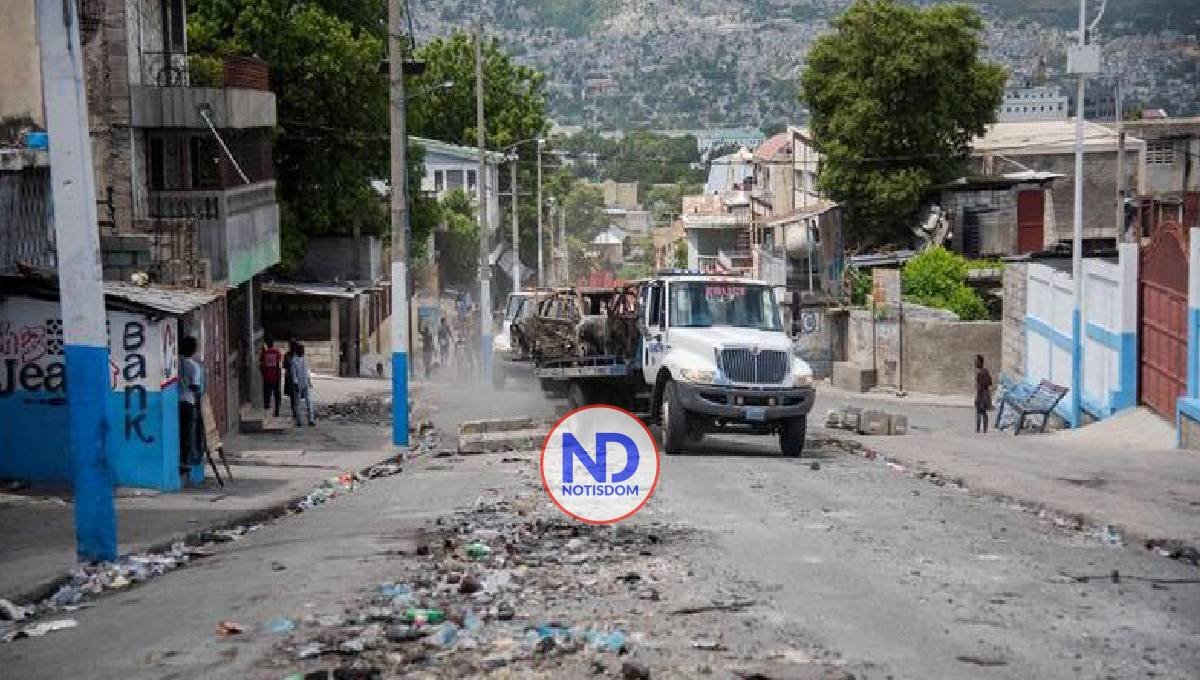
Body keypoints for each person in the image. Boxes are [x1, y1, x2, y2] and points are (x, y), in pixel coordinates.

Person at [178, 336, 205, 474]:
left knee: (179, 433)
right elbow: (195, 386)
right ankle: (186, 460)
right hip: (188, 402)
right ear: (193, 350)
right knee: (188, 433)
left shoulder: (175, 362)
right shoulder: (194, 366)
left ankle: (181, 459)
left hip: (175, 403)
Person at [289, 343, 316, 426]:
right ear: (298, 351)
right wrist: (295, 383)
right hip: (298, 383)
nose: (303, 351)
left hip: (305, 383)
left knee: (309, 402)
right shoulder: (294, 360)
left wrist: (309, 381)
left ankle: (311, 420)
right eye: (301, 350)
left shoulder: (305, 358)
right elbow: (294, 374)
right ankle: (299, 421)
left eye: (303, 350)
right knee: (298, 403)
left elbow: (307, 370)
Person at [259, 335, 283, 417]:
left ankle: (267, 411)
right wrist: (279, 376)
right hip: (276, 377)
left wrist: (263, 373)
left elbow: (261, 365)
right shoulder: (277, 352)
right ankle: (277, 412)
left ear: (267, 343)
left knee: (267, 396)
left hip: (267, 378)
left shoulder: (264, 353)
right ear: (273, 343)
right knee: (277, 396)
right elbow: (279, 365)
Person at [974, 354, 993, 433]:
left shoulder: (980, 373)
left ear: (980, 362)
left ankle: (978, 429)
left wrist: (977, 398)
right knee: (984, 412)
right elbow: (990, 382)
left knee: (979, 412)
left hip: (981, 395)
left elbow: (980, 387)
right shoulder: (986, 371)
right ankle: (985, 429)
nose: (975, 363)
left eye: (976, 362)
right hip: (986, 394)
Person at [283, 336, 299, 414]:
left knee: (296, 395)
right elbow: (285, 366)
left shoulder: (298, 355)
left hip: (295, 377)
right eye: (291, 345)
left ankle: (296, 409)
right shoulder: (287, 355)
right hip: (291, 377)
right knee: (293, 395)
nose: (292, 346)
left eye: (293, 345)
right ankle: (294, 410)